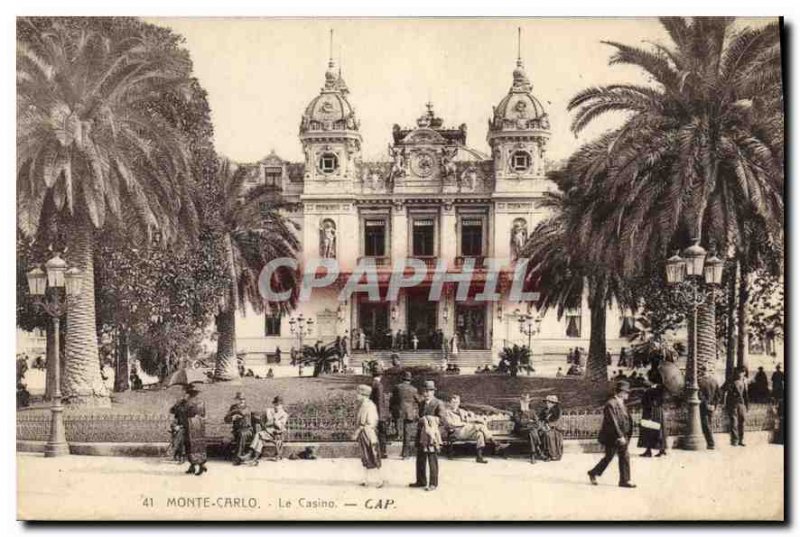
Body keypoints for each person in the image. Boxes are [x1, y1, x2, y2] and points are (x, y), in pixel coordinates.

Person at [588, 380, 635, 488]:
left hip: (622, 435)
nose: (628, 394)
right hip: (613, 437)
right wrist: (620, 436)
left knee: (624, 456)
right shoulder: (610, 404)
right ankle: (593, 472)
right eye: (626, 392)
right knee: (609, 457)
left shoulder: (621, 403)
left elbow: (626, 418)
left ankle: (624, 480)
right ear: (620, 392)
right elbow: (613, 422)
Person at [410, 380, 446, 491]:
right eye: (424, 391)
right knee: (420, 458)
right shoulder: (421, 403)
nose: (426, 394)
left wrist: (430, 419)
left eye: (429, 391)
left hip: (431, 436)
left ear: (433, 392)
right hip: (421, 434)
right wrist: (419, 419)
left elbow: (442, 420)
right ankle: (421, 481)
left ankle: (433, 483)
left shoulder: (438, 403)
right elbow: (418, 417)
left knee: (432, 458)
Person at [442, 395, 493, 464]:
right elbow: (450, 424)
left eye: (456, 402)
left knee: (479, 434)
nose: (455, 404)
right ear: (450, 403)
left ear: (459, 403)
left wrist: (479, 419)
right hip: (456, 432)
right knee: (480, 426)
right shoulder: (446, 412)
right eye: (453, 402)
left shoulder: (461, 411)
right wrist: (463, 424)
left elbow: (469, 419)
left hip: (466, 431)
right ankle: (494, 442)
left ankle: (479, 457)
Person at [353, 384, 384, 487]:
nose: (356, 396)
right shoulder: (364, 404)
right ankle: (366, 479)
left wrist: (357, 432)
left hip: (368, 433)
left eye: (358, 394)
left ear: (364, 395)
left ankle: (379, 480)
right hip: (365, 433)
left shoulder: (368, 405)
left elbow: (367, 422)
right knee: (366, 456)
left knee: (372, 455)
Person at [243, 395, 289, 464]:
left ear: (282, 405)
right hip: (267, 433)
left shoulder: (284, 414)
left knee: (258, 435)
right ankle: (254, 458)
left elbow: (280, 427)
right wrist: (270, 421)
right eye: (275, 404)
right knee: (259, 440)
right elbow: (265, 422)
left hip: (277, 434)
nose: (276, 406)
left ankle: (251, 454)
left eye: (278, 404)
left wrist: (275, 420)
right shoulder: (269, 411)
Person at [390, 371, 420, 459]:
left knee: (398, 431)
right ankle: (405, 454)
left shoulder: (397, 387)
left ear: (402, 379)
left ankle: (397, 435)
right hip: (409, 412)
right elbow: (419, 400)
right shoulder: (413, 389)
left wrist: (392, 410)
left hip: (398, 411)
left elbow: (392, 400)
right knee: (407, 434)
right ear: (410, 380)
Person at [183, 383, 207, 476]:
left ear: (189, 393)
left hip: (190, 424)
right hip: (200, 424)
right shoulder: (202, 401)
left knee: (190, 444)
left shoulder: (188, 402)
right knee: (199, 444)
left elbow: (183, 412)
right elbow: (204, 413)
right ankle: (197, 465)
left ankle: (197, 465)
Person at [224, 392, 254, 465]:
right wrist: (232, 417)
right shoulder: (233, 407)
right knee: (225, 439)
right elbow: (226, 419)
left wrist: (234, 412)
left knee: (242, 434)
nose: (241, 401)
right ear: (236, 400)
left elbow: (242, 413)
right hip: (236, 430)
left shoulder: (247, 408)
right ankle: (234, 455)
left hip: (247, 430)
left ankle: (238, 457)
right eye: (240, 399)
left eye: (243, 399)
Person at [638, 384, 667, 457]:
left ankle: (649, 451)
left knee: (649, 431)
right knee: (659, 431)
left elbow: (644, 401)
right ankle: (661, 449)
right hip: (658, 412)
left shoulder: (650, 390)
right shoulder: (661, 388)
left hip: (650, 411)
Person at [723, 367, 750, 447]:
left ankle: (741, 440)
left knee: (742, 422)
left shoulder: (744, 382)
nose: (741, 374)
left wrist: (746, 406)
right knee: (734, 422)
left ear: (744, 373)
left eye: (743, 372)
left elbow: (746, 395)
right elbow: (723, 389)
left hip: (742, 405)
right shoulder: (731, 381)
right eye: (739, 372)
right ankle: (735, 440)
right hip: (733, 404)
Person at [513, 394, 542, 463]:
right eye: (523, 402)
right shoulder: (517, 412)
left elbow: (537, 423)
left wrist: (528, 423)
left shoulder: (532, 411)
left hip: (529, 430)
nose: (525, 403)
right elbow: (519, 422)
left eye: (527, 402)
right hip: (520, 431)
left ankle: (533, 454)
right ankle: (538, 449)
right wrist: (529, 420)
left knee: (531, 433)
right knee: (532, 431)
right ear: (521, 402)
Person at [698, 368, 721, 450]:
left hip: (704, 406)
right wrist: (714, 405)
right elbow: (718, 395)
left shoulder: (700, 382)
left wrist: (706, 404)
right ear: (708, 371)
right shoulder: (714, 381)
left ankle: (711, 443)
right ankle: (710, 443)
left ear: (702, 372)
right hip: (712, 406)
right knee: (709, 424)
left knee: (705, 425)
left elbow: (700, 395)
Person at [538, 395, 563, 461]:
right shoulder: (545, 410)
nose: (547, 404)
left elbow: (555, 420)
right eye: (547, 402)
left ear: (553, 403)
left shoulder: (557, 410)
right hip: (546, 426)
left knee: (548, 435)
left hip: (555, 428)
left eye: (549, 402)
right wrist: (541, 423)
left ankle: (552, 455)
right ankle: (543, 454)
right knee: (539, 433)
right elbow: (540, 418)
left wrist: (547, 425)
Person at [371, 368, 388, 458]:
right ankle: (382, 452)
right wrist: (382, 416)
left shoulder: (371, 384)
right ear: (381, 376)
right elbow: (380, 401)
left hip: (371, 412)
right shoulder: (379, 385)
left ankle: (374, 451)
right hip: (378, 413)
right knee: (382, 433)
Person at [168, 391, 189, 464]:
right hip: (180, 426)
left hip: (186, 427)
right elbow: (171, 411)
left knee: (180, 438)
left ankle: (177, 455)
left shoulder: (188, 406)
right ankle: (178, 456)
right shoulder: (179, 407)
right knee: (178, 438)